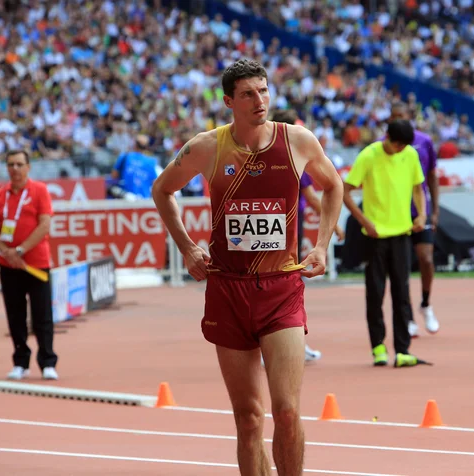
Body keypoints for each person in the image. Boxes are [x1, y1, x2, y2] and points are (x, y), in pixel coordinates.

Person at [152, 59, 343, 476]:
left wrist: (322, 245)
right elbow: (162, 190)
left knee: (288, 412)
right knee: (249, 419)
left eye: (263, 90)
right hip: (228, 290)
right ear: (228, 101)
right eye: (248, 94)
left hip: (282, 288)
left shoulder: (297, 141)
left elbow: (333, 186)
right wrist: (186, 247)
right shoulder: (207, 147)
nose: (259, 101)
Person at [343, 120, 429, 368]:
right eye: (398, 145)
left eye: (404, 146)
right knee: (375, 293)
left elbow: (418, 188)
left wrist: (421, 215)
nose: (401, 149)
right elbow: (345, 191)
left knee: (402, 293)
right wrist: (364, 221)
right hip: (375, 236)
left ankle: (402, 350)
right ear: (387, 138)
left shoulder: (410, 154)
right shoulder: (369, 155)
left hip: (402, 233)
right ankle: (378, 347)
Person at [270, 108, 346, 362]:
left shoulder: (266, 151)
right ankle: (290, 344)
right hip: (288, 223)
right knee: (287, 283)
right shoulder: (293, 154)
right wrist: (333, 226)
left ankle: (271, 345)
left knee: (270, 282)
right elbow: (313, 197)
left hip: (274, 222)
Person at [0, 150, 58, 381]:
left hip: (36, 264)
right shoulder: (1, 195)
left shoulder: (40, 191)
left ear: (28, 167)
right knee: (15, 315)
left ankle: (47, 362)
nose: (14, 169)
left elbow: (44, 225)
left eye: (19, 164)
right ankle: (20, 362)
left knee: (42, 315)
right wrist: (7, 252)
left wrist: (20, 250)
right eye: (10, 165)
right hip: (8, 265)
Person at [385, 103, 440, 337]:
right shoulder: (383, 144)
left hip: (420, 209)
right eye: (395, 116)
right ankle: (406, 316)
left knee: (426, 259)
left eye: (402, 116)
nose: (399, 119)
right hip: (395, 212)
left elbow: (432, 177)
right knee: (401, 267)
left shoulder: (424, 141)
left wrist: (434, 209)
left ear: (409, 118)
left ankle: (426, 304)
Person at [108, 134, 163, 200]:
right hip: (144, 201)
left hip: (125, 199)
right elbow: (155, 183)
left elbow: (114, 175)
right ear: (146, 147)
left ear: (134, 144)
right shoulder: (151, 162)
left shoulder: (125, 156)